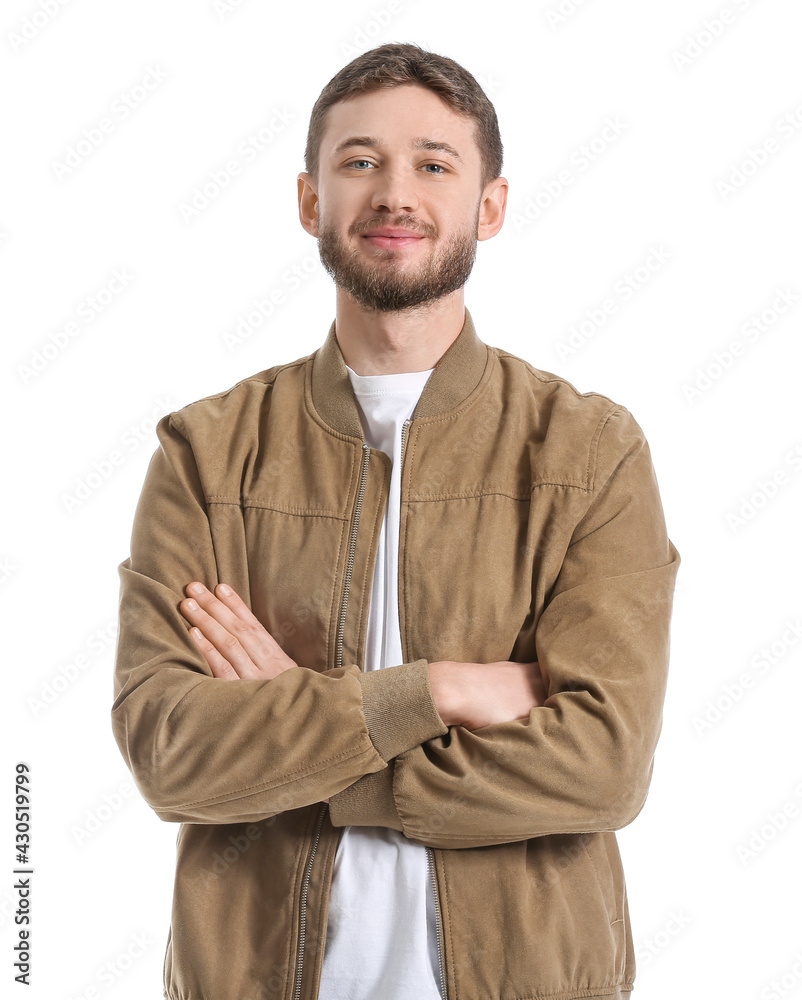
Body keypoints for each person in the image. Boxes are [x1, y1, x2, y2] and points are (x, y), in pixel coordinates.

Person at [112, 42, 680, 1000]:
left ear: (488, 207)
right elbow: (171, 752)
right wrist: (442, 691)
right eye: (360, 161)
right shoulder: (206, 454)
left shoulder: (590, 452)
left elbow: (604, 766)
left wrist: (300, 735)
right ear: (310, 201)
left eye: (433, 163)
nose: (394, 194)